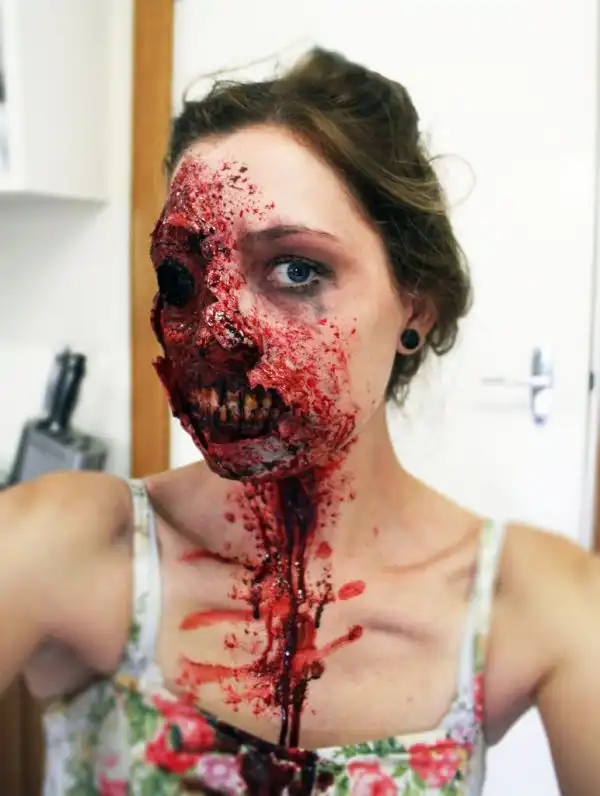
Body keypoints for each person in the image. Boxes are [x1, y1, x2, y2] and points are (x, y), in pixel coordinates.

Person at [1, 47, 599, 796]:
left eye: (295, 270)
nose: (213, 339)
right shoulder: (71, 548)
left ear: (415, 307)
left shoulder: (532, 604)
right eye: (183, 278)